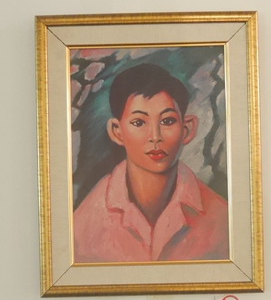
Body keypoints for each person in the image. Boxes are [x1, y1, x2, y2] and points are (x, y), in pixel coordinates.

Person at [73, 63, 229, 263]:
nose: (155, 136)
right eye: (139, 123)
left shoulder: (221, 220)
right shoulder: (84, 225)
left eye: (167, 121)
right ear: (116, 131)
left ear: (187, 129)